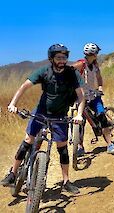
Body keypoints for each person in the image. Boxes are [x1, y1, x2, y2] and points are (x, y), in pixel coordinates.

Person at [0, 44, 85, 194]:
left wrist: (79, 114)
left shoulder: (72, 73)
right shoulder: (44, 71)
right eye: (58, 57)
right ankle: (12, 173)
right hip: (41, 112)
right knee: (28, 141)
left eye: (64, 57)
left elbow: (81, 96)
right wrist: (13, 104)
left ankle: (66, 181)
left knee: (63, 149)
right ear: (51, 58)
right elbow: (24, 87)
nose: (62, 60)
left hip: (60, 116)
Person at [72, 42, 114, 155]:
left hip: (93, 96)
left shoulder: (95, 66)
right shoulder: (81, 64)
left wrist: (100, 87)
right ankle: (80, 147)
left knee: (101, 116)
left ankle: (110, 144)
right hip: (81, 97)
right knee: (80, 122)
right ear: (94, 54)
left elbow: (99, 77)